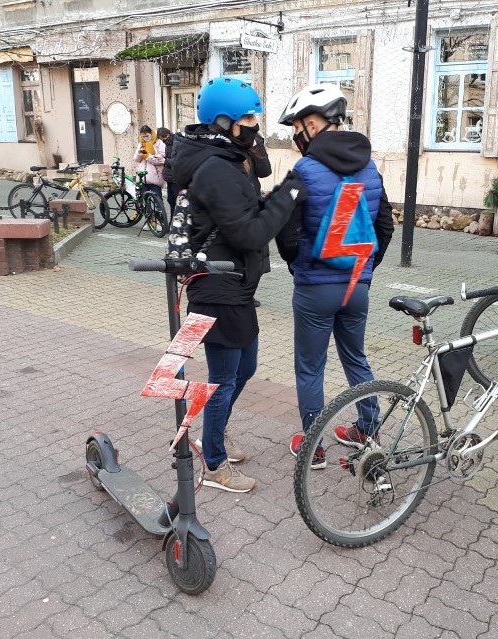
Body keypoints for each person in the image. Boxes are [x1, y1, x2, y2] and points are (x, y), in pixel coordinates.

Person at [165, 77, 306, 492]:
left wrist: (254, 155)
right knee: (225, 378)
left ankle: (214, 431)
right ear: (222, 121)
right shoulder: (215, 169)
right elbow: (248, 234)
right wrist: (290, 192)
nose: (254, 125)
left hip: (236, 284)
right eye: (247, 118)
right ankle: (213, 463)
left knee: (245, 367)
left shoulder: (226, 159)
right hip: (217, 285)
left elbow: (253, 181)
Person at [275, 83, 394, 468]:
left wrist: (299, 266)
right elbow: (385, 225)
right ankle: (368, 429)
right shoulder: (370, 166)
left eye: (296, 125)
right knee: (356, 358)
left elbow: (286, 232)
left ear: (313, 123)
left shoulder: (303, 171)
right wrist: (364, 271)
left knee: (311, 367)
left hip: (315, 288)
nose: (294, 134)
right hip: (357, 287)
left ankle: (314, 448)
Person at [246, 133, 272, 308]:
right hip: (235, 204)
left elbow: (265, 171)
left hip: (254, 202)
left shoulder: (255, 141)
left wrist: (256, 146)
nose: (253, 122)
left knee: (259, 255)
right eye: (248, 117)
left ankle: (249, 292)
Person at [134, 125, 165, 199]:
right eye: (143, 136)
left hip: (155, 176)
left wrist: (148, 156)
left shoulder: (159, 143)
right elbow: (136, 159)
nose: (145, 138)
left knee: (157, 200)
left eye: (147, 136)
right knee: (144, 201)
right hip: (143, 176)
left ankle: (159, 210)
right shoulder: (141, 143)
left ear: (151, 133)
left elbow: (160, 160)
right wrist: (140, 153)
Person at [157, 126, 179, 212]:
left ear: (167, 135)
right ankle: (172, 222)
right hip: (170, 178)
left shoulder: (176, 144)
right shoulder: (168, 144)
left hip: (175, 178)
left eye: (163, 139)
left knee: (175, 201)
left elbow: (177, 162)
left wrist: (165, 161)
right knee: (170, 200)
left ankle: (174, 221)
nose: (162, 141)